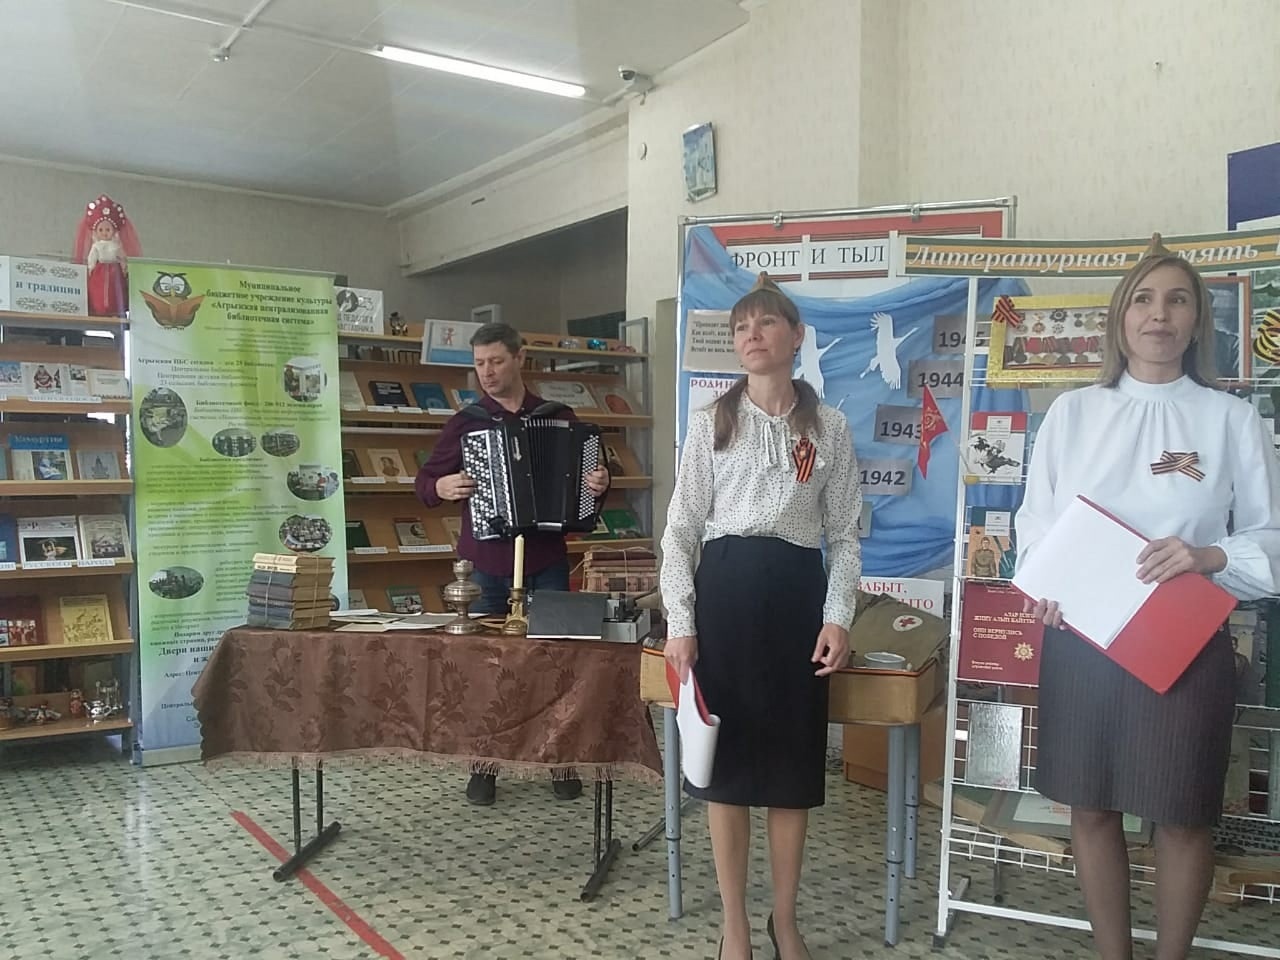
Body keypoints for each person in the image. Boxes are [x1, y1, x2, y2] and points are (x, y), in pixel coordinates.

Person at [1015, 235, 1280, 960]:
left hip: (1183, 642)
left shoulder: (1230, 420)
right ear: (1120, 319)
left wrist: (1208, 556)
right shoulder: (1072, 413)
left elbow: (1271, 538)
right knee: (1091, 805)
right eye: (1143, 299)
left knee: (1184, 814)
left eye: (1177, 300)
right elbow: (1036, 524)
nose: (1158, 314)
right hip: (1084, 641)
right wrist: (1045, 585)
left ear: (1197, 322)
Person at [660, 273, 861, 960]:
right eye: (742, 326)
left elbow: (844, 536)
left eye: (766, 323)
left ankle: (784, 919)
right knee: (728, 773)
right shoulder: (710, 422)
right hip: (724, 604)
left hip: (797, 604)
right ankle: (736, 926)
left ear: (796, 336)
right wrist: (681, 622)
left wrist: (838, 615)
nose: (752, 335)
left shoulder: (830, 427)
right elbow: (681, 532)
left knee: (788, 774)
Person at [416, 321, 611, 807]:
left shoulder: (558, 416)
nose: (487, 372)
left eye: (496, 361)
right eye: (480, 364)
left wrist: (598, 485)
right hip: (485, 561)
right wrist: (441, 486)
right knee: (485, 665)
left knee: (555, 660)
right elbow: (425, 484)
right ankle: (484, 765)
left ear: (520, 358)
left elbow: (587, 482)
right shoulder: (467, 422)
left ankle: (559, 758)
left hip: (546, 559)